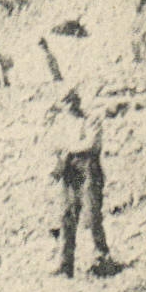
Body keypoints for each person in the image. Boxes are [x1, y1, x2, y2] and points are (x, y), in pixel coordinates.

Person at [50, 88, 112, 277]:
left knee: (92, 214)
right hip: (69, 168)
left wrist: (69, 148)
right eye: (65, 102)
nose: (69, 106)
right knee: (67, 215)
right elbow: (55, 145)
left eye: (71, 101)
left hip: (88, 167)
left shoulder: (91, 120)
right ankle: (65, 263)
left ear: (77, 101)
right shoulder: (61, 124)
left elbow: (92, 144)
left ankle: (102, 258)